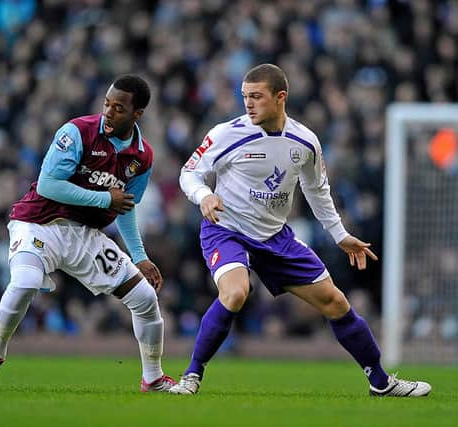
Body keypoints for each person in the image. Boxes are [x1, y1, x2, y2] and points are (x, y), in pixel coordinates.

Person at [169, 64, 431, 397]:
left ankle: (381, 382)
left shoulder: (304, 141)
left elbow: (317, 191)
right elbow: (188, 173)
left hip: (276, 237)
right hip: (227, 230)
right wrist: (204, 195)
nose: (248, 104)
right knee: (236, 292)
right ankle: (191, 376)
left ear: (281, 98)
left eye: (257, 97)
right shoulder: (226, 133)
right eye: (245, 97)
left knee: (335, 302)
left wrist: (340, 235)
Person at [0, 75, 176, 392]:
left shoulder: (142, 157)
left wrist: (140, 257)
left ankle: (153, 378)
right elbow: (49, 184)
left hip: (84, 236)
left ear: (137, 115)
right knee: (25, 282)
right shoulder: (76, 132)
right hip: (39, 222)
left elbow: (126, 207)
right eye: (106, 104)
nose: (108, 112)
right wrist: (105, 198)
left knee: (146, 299)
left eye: (118, 108)